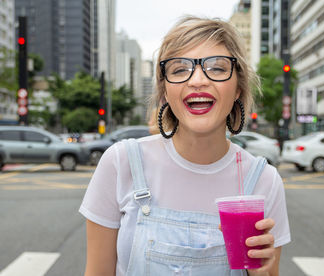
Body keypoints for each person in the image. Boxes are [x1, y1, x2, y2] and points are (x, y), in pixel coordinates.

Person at [80, 16, 290, 276]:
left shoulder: (264, 181)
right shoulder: (121, 162)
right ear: (165, 91)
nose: (198, 80)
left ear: (238, 88)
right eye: (179, 69)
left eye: (217, 68)